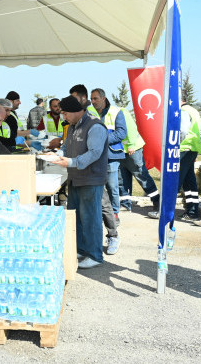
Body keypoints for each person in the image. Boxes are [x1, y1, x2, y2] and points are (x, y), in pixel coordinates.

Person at [52, 95, 108, 269]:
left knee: (91, 218)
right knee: (75, 217)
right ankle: (81, 249)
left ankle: (95, 255)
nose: (64, 117)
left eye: (66, 113)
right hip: (75, 178)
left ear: (77, 111)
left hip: (91, 178)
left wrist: (71, 162)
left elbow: (94, 153)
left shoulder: (94, 126)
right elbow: (67, 146)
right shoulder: (73, 126)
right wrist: (58, 154)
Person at [87, 88, 127, 255]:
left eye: (96, 98)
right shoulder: (89, 112)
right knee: (101, 197)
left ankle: (114, 218)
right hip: (94, 158)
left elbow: (122, 133)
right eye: (92, 99)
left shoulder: (117, 112)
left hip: (111, 156)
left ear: (103, 98)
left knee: (112, 189)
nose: (93, 101)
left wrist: (102, 139)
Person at [117, 107, 160, 215]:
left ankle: (157, 201)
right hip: (121, 151)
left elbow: (131, 128)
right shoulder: (105, 114)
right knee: (122, 178)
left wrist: (131, 145)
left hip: (133, 150)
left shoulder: (121, 111)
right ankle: (125, 204)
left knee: (141, 176)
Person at [178, 95, 201, 221]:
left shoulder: (183, 111)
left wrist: (175, 144)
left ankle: (165, 210)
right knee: (189, 182)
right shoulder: (193, 110)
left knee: (175, 179)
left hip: (183, 148)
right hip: (192, 148)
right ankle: (192, 211)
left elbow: (182, 130)